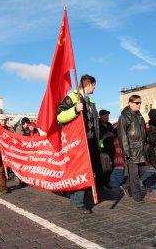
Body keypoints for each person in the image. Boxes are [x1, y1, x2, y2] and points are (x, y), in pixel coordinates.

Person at [57, 74, 100, 214]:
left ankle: (78, 194)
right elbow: (60, 116)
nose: (95, 88)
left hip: (91, 141)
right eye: (94, 85)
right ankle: (77, 201)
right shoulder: (72, 97)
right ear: (89, 84)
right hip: (78, 141)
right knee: (80, 169)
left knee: (87, 170)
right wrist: (75, 110)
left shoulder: (90, 101)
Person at [117, 94, 147, 204]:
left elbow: (143, 133)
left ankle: (126, 186)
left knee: (142, 170)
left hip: (141, 149)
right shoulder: (124, 117)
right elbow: (122, 136)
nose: (139, 105)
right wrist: (126, 152)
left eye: (140, 102)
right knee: (134, 174)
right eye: (137, 103)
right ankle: (136, 195)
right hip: (131, 149)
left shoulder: (139, 116)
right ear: (130, 103)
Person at [98, 109, 116, 188]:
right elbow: (99, 139)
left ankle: (106, 182)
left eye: (108, 116)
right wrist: (101, 148)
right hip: (103, 151)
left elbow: (113, 135)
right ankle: (100, 184)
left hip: (111, 149)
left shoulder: (109, 125)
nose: (107, 117)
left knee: (111, 167)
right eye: (105, 116)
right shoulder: (98, 125)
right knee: (103, 169)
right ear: (101, 116)